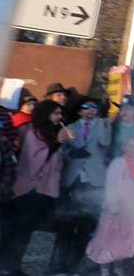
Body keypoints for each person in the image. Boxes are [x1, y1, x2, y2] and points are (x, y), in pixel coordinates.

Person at [0, 100, 75, 274]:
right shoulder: (33, 131)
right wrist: (57, 142)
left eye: (60, 114)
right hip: (25, 189)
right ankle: (4, 264)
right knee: (12, 229)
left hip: (41, 191)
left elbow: (56, 163)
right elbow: (34, 162)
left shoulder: (53, 132)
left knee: (25, 231)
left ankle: (13, 265)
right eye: (55, 113)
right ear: (46, 113)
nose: (59, 117)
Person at [51, 98, 112, 274]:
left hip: (94, 182)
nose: (90, 111)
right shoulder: (69, 127)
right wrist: (71, 151)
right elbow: (60, 148)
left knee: (85, 227)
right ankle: (57, 265)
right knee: (66, 226)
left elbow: (105, 143)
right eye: (86, 108)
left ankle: (73, 266)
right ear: (79, 111)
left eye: (94, 108)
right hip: (73, 181)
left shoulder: (103, 124)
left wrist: (104, 119)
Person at [86, 137, 134, 276]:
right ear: (124, 148)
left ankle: (119, 266)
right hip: (116, 207)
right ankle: (104, 267)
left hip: (132, 208)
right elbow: (110, 186)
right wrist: (112, 204)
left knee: (123, 239)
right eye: (130, 146)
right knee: (109, 238)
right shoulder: (118, 163)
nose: (133, 149)